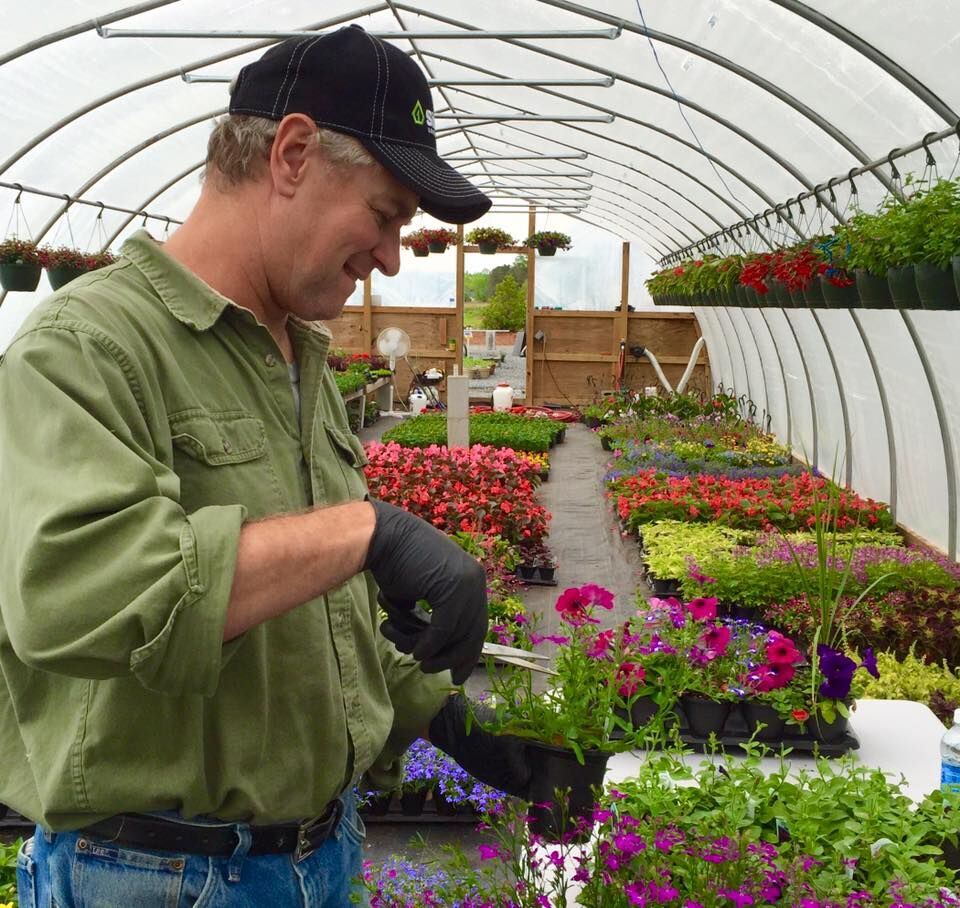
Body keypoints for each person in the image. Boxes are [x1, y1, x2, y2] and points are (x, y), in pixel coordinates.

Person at [0, 25, 530, 907]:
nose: (393, 257)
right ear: (291, 154)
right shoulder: (87, 348)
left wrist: (439, 713)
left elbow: (314, 615)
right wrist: (368, 529)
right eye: (386, 213)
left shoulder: (296, 357)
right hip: (157, 877)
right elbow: (74, 595)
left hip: (319, 854)